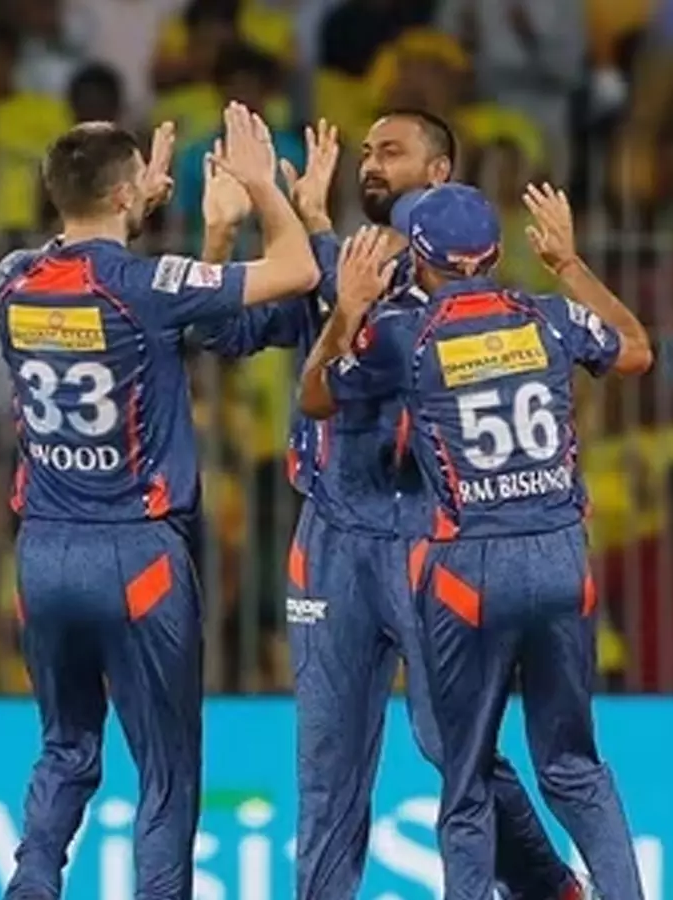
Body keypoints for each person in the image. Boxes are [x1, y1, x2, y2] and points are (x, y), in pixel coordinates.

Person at [195, 111, 580, 898]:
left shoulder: (467, 291)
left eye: (391, 152)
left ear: (439, 175)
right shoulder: (331, 264)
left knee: (456, 748)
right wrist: (223, 233)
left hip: (428, 537)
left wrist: (304, 230)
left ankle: (548, 889)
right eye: (366, 152)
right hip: (330, 538)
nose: (370, 164)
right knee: (327, 764)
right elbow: (221, 334)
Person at [0, 103, 320, 900]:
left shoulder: (12, 279)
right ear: (122, 195)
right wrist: (259, 188)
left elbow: (120, 286)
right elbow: (297, 272)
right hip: (136, 553)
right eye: (140, 179)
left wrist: (143, 208)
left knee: (66, 748)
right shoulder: (147, 286)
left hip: (43, 551)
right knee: (167, 772)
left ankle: (32, 882)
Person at [297, 183, 652, 900]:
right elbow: (637, 351)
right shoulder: (550, 317)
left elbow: (315, 396)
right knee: (575, 769)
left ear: (420, 260)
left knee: (465, 781)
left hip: (470, 570)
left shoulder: (406, 336)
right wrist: (569, 263)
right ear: (494, 253)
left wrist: (348, 310)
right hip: (560, 554)